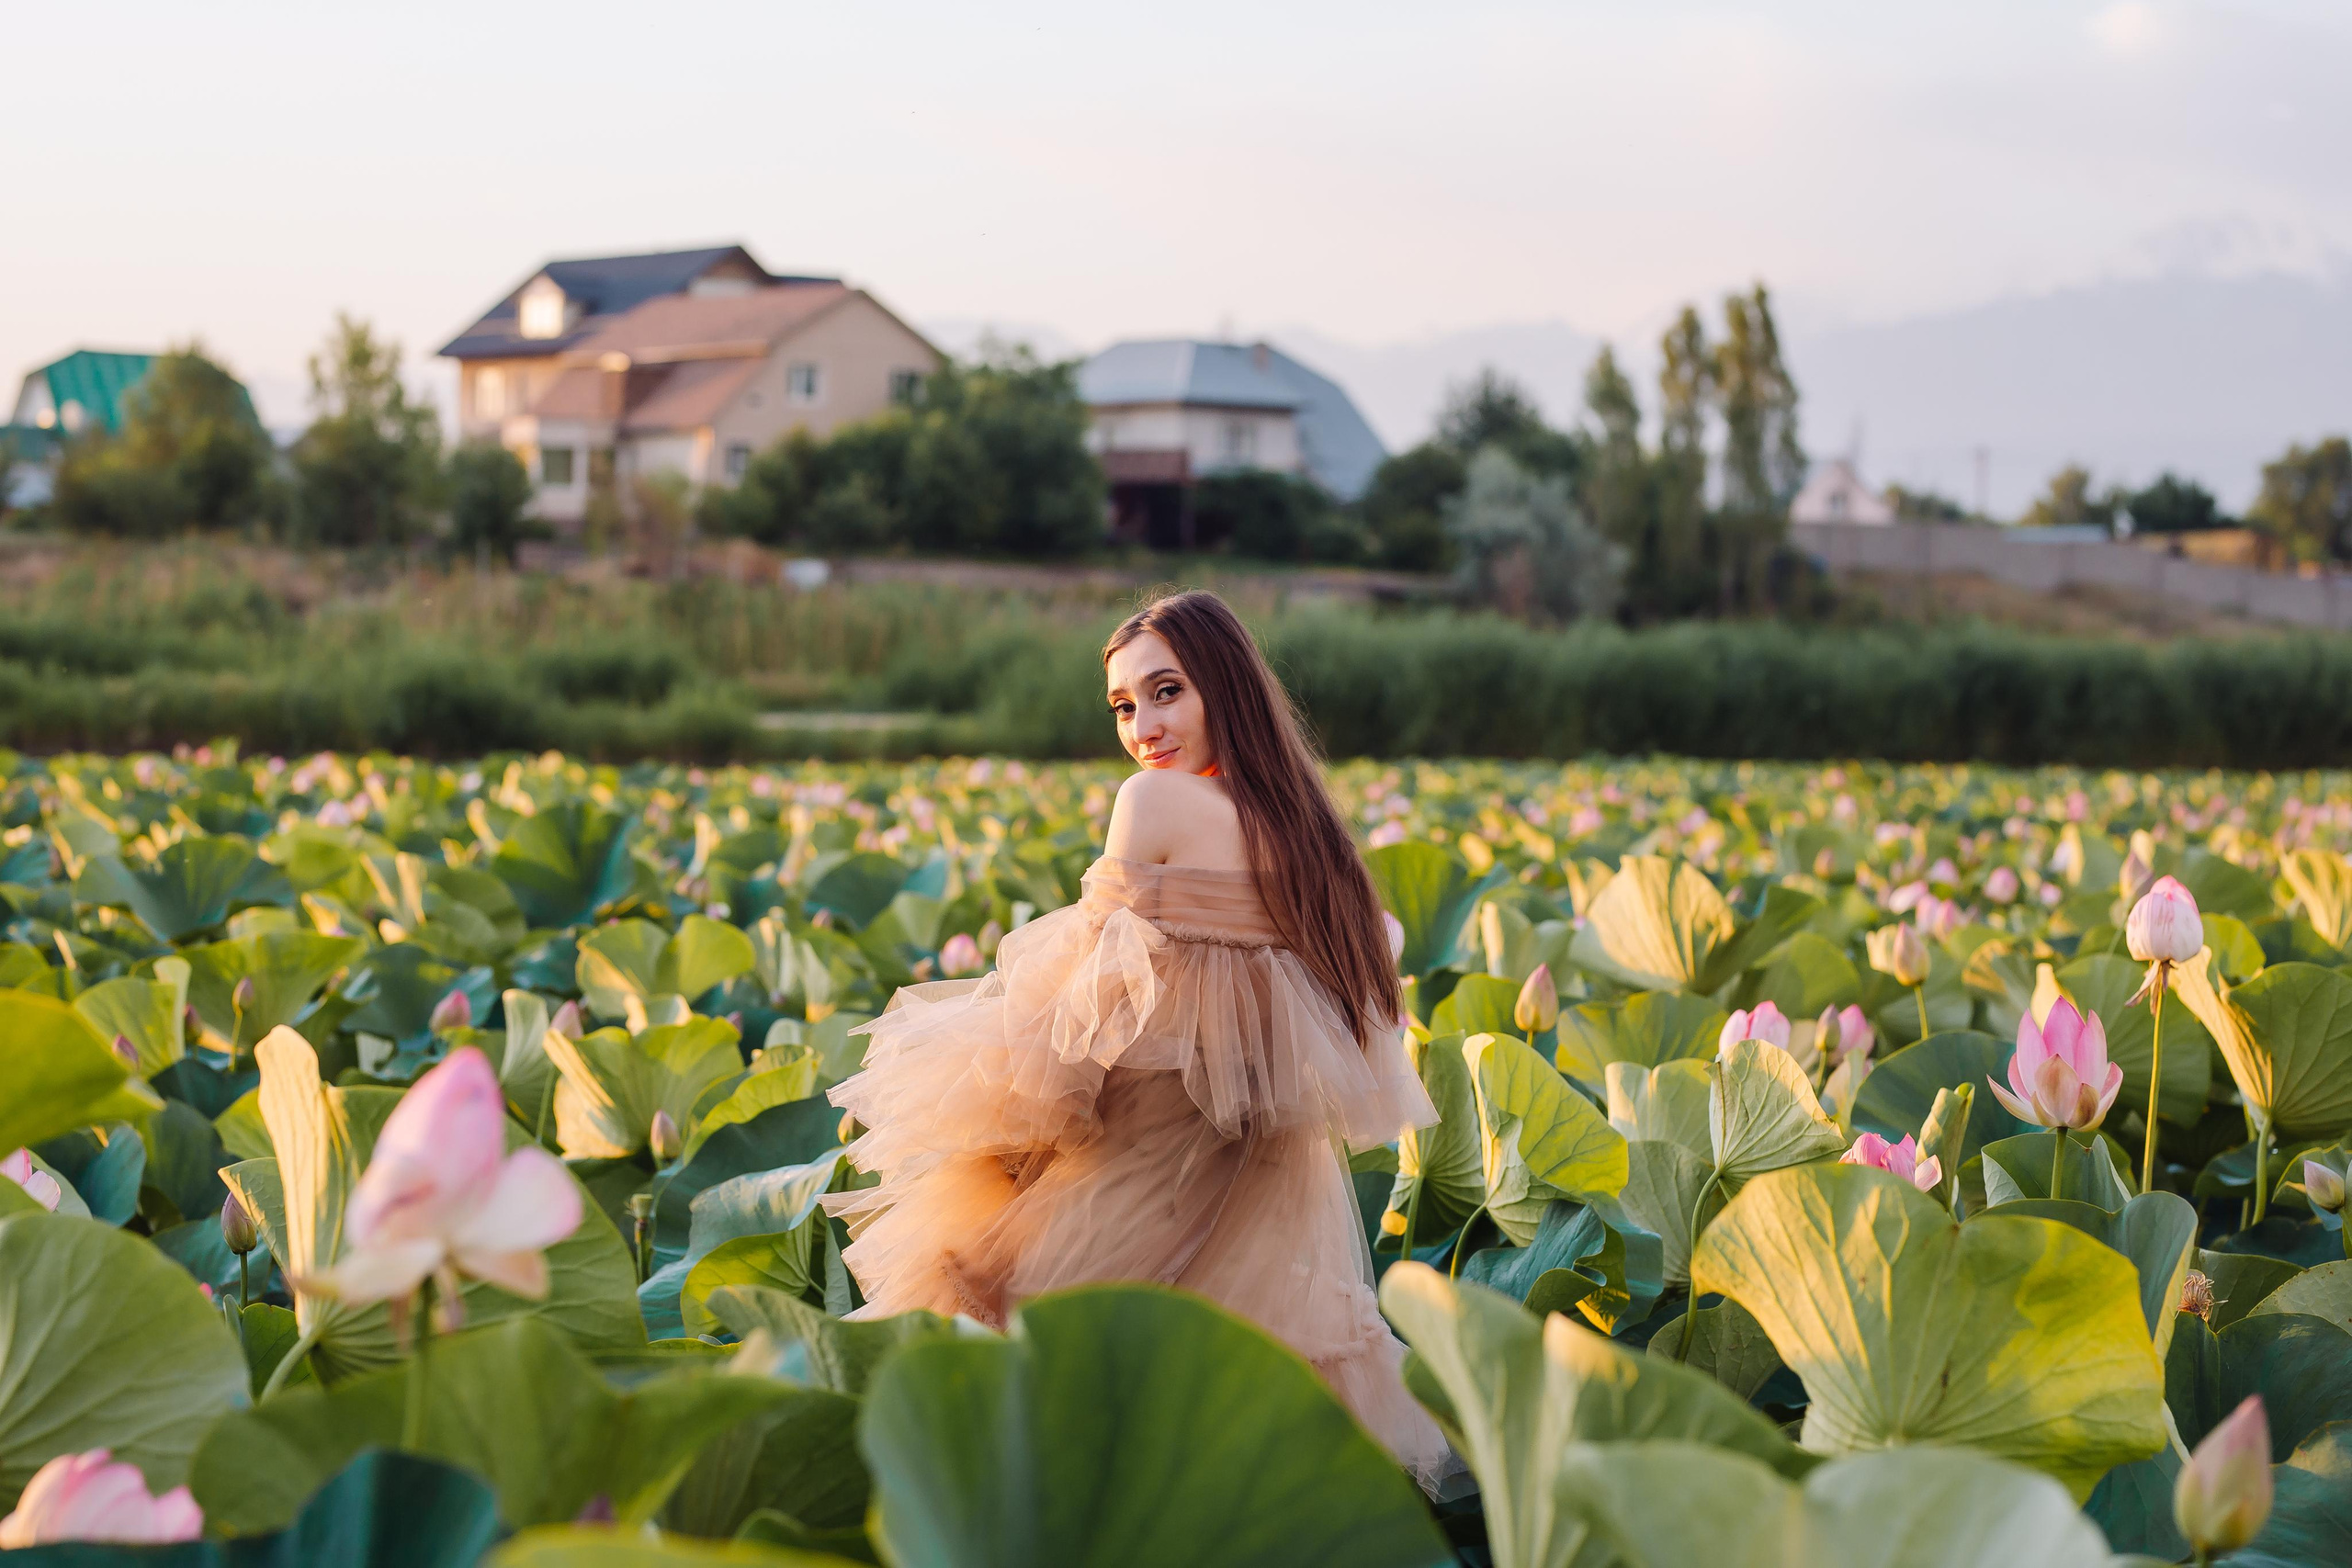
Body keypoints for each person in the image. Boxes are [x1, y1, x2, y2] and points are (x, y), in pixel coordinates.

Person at [822, 589, 1450, 1485]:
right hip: (1257, 1211)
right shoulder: (1314, 842)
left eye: (1166, 692)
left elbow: (1068, 1020)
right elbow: (1365, 986)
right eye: (1123, 705)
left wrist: (993, 1142)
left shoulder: (1151, 801)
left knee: (1024, 1384)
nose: (1142, 728)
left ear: (1224, 686)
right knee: (1200, 1442)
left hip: (1128, 1178)